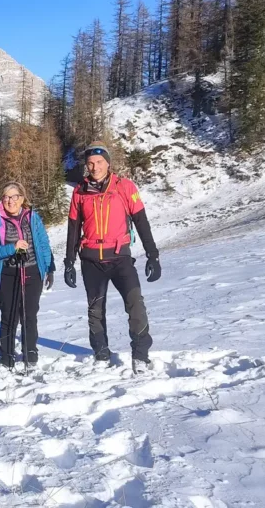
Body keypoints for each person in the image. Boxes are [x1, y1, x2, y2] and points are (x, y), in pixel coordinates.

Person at [63, 142, 161, 370]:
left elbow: (141, 222)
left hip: (120, 258)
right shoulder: (79, 191)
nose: (94, 167)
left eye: (98, 162)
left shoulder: (125, 187)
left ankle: (140, 354)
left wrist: (152, 255)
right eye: (90, 163)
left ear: (108, 162)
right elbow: (73, 228)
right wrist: (69, 262)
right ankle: (101, 353)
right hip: (91, 260)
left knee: (135, 303)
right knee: (95, 309)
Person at [0, 183, 55, 370]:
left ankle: (30, 352)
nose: (10, 201)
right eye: (6, 197)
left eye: (14, 196)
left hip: (32, 271)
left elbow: (43, 243)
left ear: (22, 198)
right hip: (7, 273)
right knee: (9, 315)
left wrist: (49, 267)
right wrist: (12, 248)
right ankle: (6, 355)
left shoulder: (32, 217)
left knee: (29, 315)